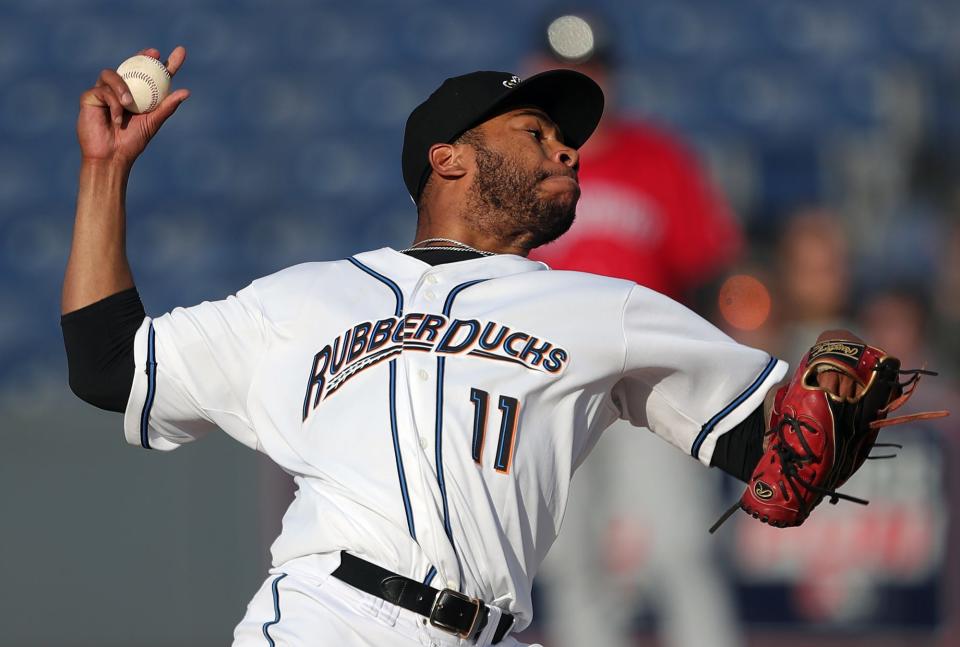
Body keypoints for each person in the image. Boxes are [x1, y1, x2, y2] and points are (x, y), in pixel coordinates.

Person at [63, 47, 868, 646]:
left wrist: (831, 434)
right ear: (447, 157)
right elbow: (110, 366)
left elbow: (777, 436)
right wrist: (105, 172)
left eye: (567, 138)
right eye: (535, 129)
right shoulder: (302, 297)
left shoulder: (608, 309)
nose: (568, 150)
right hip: (329, 615)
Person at [523, 12, 745, 647]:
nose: (577, 84)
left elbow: (709, 273)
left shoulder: (659, 160)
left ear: (612, 79)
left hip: (651, 377)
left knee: (679, 545)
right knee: (570, 560)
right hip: (549, 380)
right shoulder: (511, 169)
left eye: (590, 72)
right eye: (561, 70)